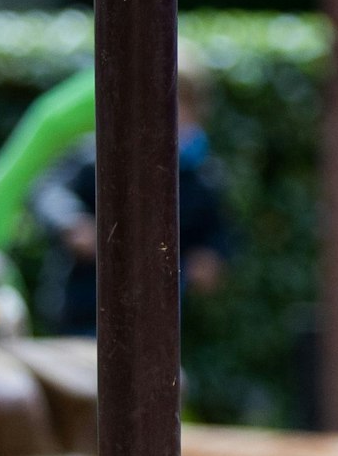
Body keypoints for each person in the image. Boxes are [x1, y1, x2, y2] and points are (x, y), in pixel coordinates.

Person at [32, 52, 231, 336]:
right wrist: (71, 222)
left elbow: (216, 229)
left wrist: (212, 256)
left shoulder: (202, 176)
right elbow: (50, 190)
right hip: (86, 303)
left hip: (160, 313)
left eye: (180, 103)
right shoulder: (100, 155)